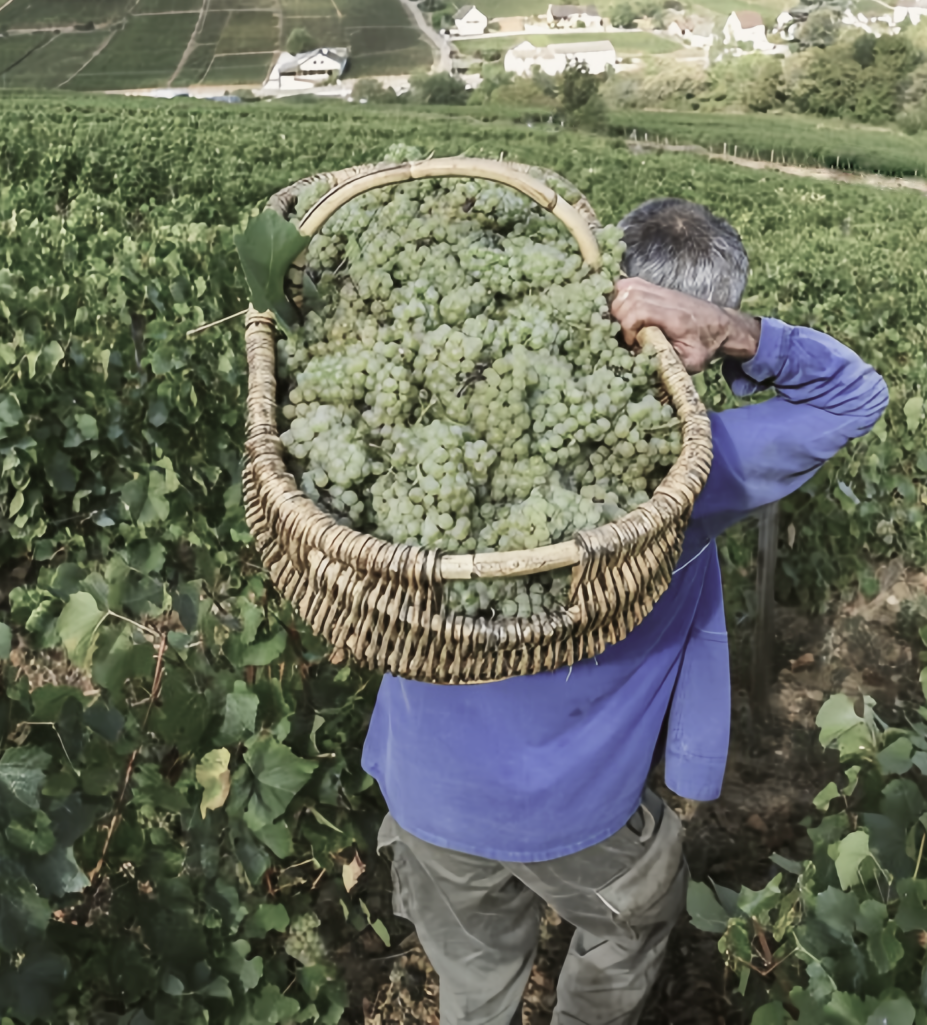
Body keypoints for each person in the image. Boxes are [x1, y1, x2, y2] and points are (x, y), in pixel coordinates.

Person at [363, 197, 889, 1025]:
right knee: (633, 921)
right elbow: (855, 395)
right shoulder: (691, 470)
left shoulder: (444, 404)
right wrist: (736, 330)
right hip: (577, 815)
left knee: (473, 991)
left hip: (427, 793)